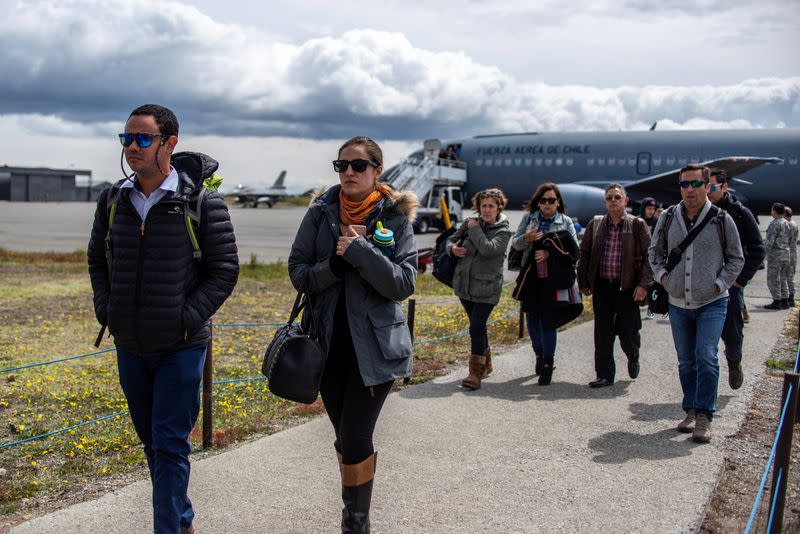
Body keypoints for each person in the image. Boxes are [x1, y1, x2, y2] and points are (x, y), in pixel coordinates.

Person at [88, 104, 239, 533]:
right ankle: (182, 521)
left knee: (170, 445)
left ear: (169, 143)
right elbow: (97, 259)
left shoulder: (200, 202)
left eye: (142, 139)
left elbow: (224, 270)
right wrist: (108, 308)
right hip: (130, 345)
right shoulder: (114, 199)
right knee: (154, 446)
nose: (131, 147)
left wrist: (184, 319)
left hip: (181, 345)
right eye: (126, 139)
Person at [288, 136, 418, 533]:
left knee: (356, 435)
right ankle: (355, 512)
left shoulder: (394, 217)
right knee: (346, 441)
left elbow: (403, 283)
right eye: (341, 165)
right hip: (325, 349)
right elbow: (298, 272)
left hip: (375, 352)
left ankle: (355, 524)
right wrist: (336, 267)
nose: (348, 173)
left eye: (358, 166)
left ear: (377, 171)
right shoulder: (320, 212)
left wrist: (361, 252)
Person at [649, 164, 743, 443]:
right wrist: (664, 277)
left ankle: (704, 415)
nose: (689, 190)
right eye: (684, 185)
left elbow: (736, 258)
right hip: (678, 301)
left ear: (707, 186)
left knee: (706, 355)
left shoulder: (721, 219)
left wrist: (719, 283)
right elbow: (654, 253)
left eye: (695, 184)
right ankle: (690, 410)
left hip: (712, 301)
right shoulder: (667, 218)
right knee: (686, 361)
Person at [578, 184, 652, 388]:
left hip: (628, 288)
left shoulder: (637, 225)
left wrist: (644, 285)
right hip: (602, 287)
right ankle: (604, 375)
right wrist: (583, 281)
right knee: (602, 333)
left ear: (625, 201)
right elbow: (584, 254)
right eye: (609, 198)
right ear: (605, 202)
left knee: (628, 331)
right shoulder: (596, 224)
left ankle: (633, 355)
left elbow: (650, 258)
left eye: (617, 197)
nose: (613, 201)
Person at [510, 183, 579, 385]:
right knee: (532, 319)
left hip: (553, 280)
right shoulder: (529, 218)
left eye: (551, 200)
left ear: (558, 203)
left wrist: (550, 253)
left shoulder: (565, 222)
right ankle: (539, 353)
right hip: (531, 278)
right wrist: (527, 238)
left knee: (548, 322)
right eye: (543, 200)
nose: (547, 204)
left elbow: (575, 252)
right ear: (538, 203)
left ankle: (548, 363)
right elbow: (515, 243)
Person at [446, 188, 512, 390]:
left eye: (491, 205)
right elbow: (449, 240)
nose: (486, 209)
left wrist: (474, 230)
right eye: (483, 205)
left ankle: (475, 373)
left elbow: (488, 249)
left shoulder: (503, 231)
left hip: (487, 289)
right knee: (478, 327)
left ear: (498, 207)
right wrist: (452, 249)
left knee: (476, 326)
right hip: (464, 285)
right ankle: (486, 362)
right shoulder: (469, 223)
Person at [706, 168, 765, 390]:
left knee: (732, 334)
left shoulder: (740, 213)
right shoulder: (697, 212)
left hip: (730, 286)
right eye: (705, 186)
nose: (707, 191)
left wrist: (740, 280)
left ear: (724, 187)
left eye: (712, 187)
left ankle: (734, 362)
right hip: (702, 286)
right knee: (701, 342)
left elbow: (758, 250)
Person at [763, 202, 793, 309]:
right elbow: (790, 239)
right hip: (786, 253)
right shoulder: (787, 223)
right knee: (783, 278)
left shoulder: (774, 224)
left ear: (774, 212)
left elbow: (769, 242)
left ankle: (777, 301)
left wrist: (763, 255)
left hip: (776, 256)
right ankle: (785, 300)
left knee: (773, 279)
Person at [784, 207, 798, 307]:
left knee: (786, 276)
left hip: (787, 252)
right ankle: (791, 297)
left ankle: (788, 298)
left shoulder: (787, 225)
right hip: (793, 252)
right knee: (791, 276)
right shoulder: (794, 224)